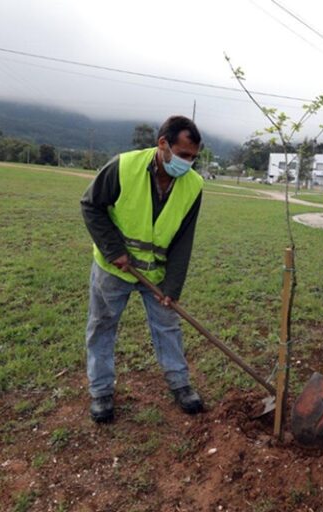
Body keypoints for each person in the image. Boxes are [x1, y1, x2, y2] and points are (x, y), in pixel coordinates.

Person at [80, 115, 205, 423]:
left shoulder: (194, 185)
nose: (188, 163)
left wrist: (172, 288)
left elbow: (182, 239)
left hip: (157, 274)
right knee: (102, 327)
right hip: (114, 269)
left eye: (193, 158)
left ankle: (180, 384)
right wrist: (114, 250)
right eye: (184, 155)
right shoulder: (123, 167)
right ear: (163, 144)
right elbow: (91, 205)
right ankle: (101, 392)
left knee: (168, 328)